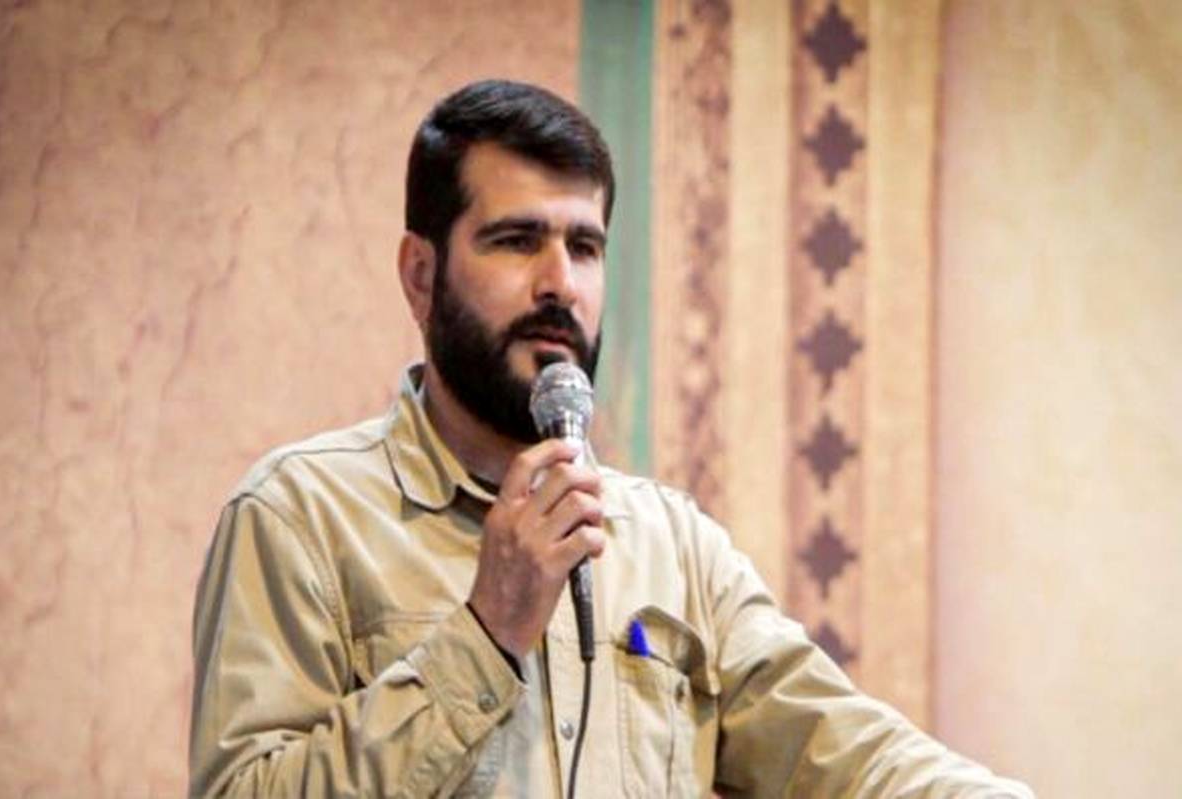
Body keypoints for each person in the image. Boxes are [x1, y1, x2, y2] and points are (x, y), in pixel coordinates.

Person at [189, 79, 1032, 798]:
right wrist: (486, 633)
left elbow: (851, 752)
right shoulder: (300, 515)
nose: (560, 283)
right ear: (421, 274)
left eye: (584, 246)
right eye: (516, 240)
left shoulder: (673, 545)